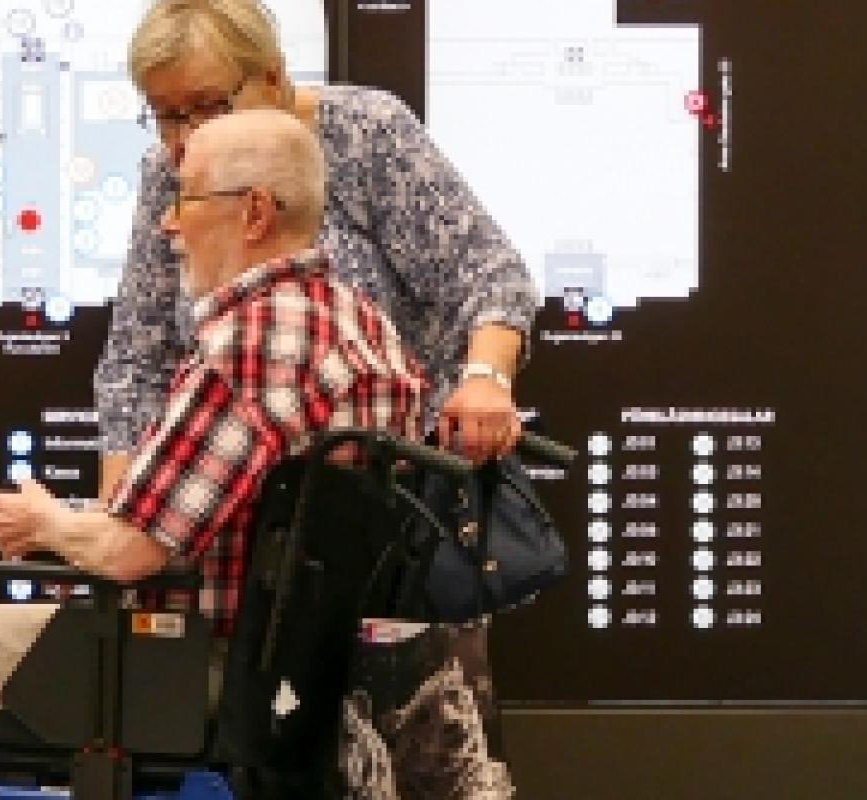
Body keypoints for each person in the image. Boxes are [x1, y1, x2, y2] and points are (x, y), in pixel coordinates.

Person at [0, 109, 430, 800]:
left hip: (192, 666)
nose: (168, 223)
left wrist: (45, 523)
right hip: (295, 672)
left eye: (185, 198)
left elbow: (133, 550)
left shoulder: (251, 344)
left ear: (254, 213)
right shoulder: (362, 324)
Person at [96, 0, 539, 502]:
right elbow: (136, 362)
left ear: (271, 76)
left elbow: (490, 274)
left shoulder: (366, 133)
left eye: (208, 105)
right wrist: (119, 517)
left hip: (385, 492)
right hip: (227, 497)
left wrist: (485, 378)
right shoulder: (172, 168)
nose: (187, 136)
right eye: (167, 116)